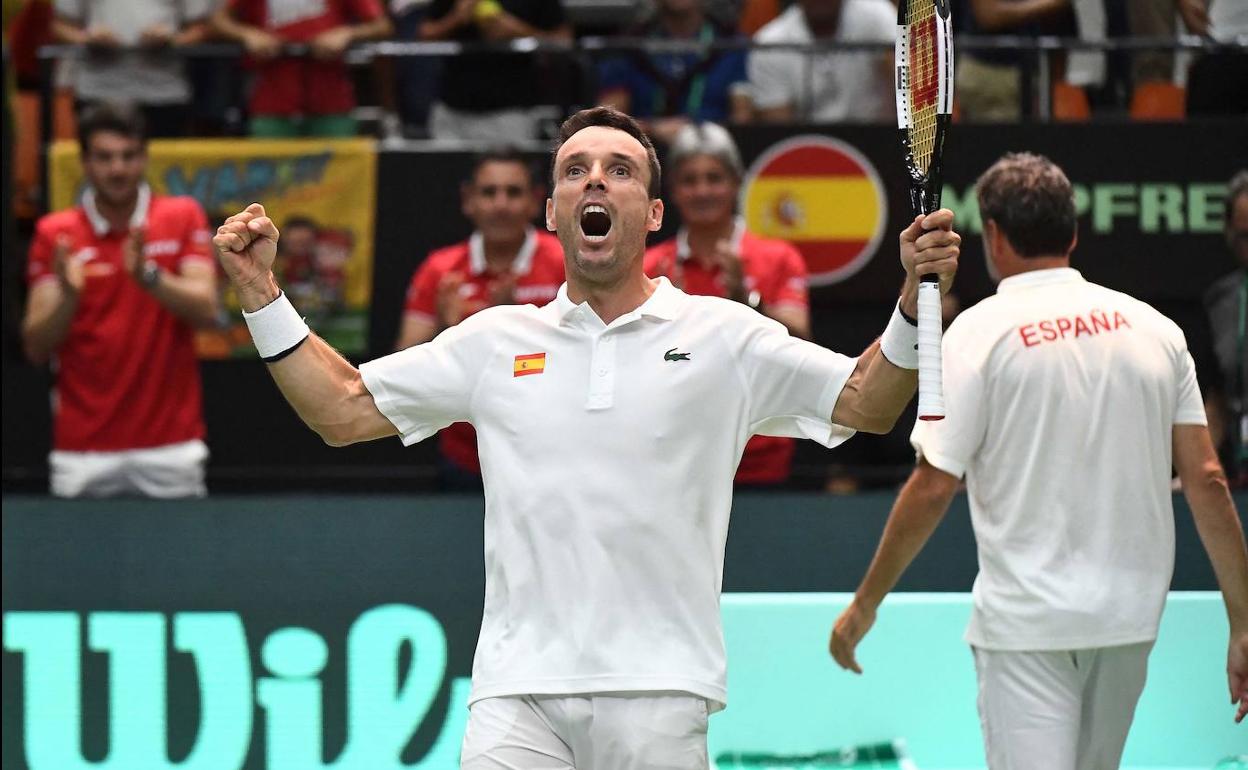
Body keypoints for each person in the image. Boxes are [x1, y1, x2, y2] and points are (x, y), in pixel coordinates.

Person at [212, 106, 960, 766]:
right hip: (516, 694)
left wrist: (908, 298)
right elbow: (341, 409)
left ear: (656, 212)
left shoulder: (725, 336)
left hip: (662, 693)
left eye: (619, 170)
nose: (595, 181)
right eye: (576, 170)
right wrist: (260, 295)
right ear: (552, 210)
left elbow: (865, 402)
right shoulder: (493, 341)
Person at [829, 153, 1248, 769]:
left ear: (992, 236)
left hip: (1026, 627)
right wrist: (1242, 624)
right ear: (1073, 233)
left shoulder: (976, 332)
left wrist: (864, 604)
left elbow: (932, 486)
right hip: (1129, 620)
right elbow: (1208, 481)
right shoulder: (1157, 330)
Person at [21, 102, 220, 497]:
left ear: (144, 158)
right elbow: (35, 347)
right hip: (82, 451)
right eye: (105, 157)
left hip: (171, 446)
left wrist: (149, 277)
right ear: (85, 162)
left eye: (128, 156)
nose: (117, 169)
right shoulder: (54, 233)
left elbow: (209, 311)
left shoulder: (182, 216)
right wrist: (69, 296)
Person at [645, 121, 809, 486]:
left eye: (714, 178)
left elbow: (801, 340)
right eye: (690, 180)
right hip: (675, 449)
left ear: (736, 183)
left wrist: (746, 299)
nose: (702, 190)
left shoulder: (777, 256)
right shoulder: (650, 265)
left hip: (761, 450)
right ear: (672, 191)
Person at [396, 147, 565, 489]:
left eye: (513, 192)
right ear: (468, 200)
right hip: (464, 459)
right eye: (489, 193)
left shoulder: (566, 263)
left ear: (536, 202)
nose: (501, 204)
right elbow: (403, 367)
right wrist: (448, 331)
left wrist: (512, 322)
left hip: (551, 454)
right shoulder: (440, 270)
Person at [211, 0, 393, 138]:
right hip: (271, 100)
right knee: (268, 183)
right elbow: (217, 20)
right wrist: (248, 34)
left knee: (336, 181)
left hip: (331, 100)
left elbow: (383, 26)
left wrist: (347, 33)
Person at [596, 0, 750, 145]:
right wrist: (652, 129)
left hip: (713, 149)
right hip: (642, 149)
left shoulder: (732, 45)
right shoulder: (627, 46)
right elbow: (609, 123)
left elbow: (743, 121)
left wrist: (695, 132)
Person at [51, 0, 213, 137]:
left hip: (165, 92)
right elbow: (59, 25)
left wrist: (173, 40)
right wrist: (87, 39)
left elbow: (202, 28)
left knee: (163, 169)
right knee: (101, 166)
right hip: (99, 90)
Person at [420, 0, 571, 141]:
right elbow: (425, 35)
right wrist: (456, 18)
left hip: (511, 113)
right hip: (452, 111)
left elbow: (563, 41)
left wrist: (518, 32)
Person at [742, 0, 894, 124]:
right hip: (807, 148)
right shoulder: (770, 43)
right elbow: (779, 129)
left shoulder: (876, 14)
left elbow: (908, 77)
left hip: (876, 136)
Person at [1203, 170, 1248, 484]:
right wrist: (1199, 468)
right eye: (1246, 236)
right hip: (1238, 475)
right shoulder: (1220, 300)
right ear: (1230, 233)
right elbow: (1216, 400)